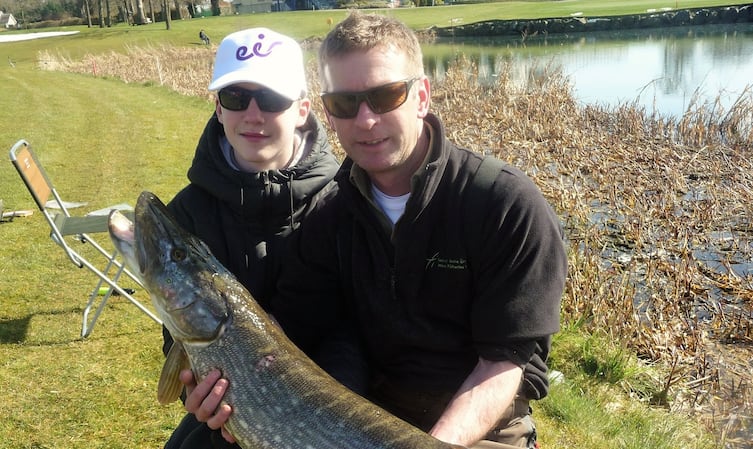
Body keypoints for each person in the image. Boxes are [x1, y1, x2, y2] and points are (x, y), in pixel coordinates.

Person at [183, 12, 567, 449]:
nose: (365, 120)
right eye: (345, 104)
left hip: (484, 429)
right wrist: (216, 382)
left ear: (421, 96)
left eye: (385, 96)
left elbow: (506, 361)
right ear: (327, 112)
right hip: (366, 417)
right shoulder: (329, 217)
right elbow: (293, 329)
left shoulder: (505, 205)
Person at [162, 27, 339, 449]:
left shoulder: (343, 202)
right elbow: (180, 335)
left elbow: (361, 330)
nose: (253, 115)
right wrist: (195, 392)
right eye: (236, 98)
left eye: (272, 98)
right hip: (232, 415)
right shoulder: (188, 212)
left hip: (337, 407)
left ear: (302, 109)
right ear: (218, 109)